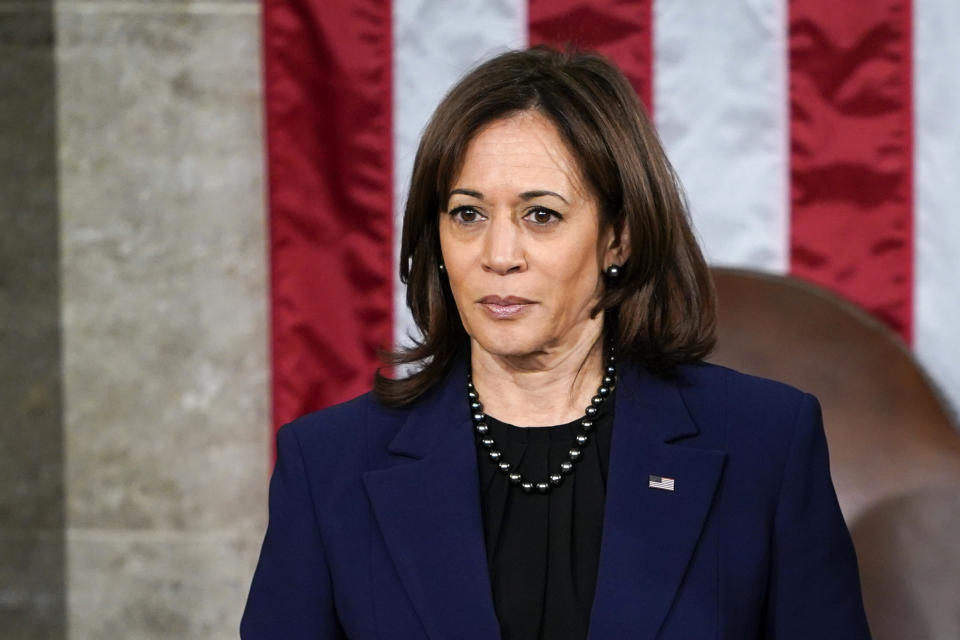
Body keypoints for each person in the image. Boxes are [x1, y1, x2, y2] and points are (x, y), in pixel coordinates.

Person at [240, 46, 872, 640]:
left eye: (541, 215)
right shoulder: (327, 465)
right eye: (468, 214)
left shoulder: (765, 443)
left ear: (618, 239)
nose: (499, 255)